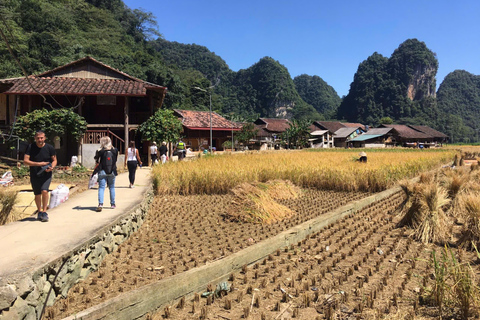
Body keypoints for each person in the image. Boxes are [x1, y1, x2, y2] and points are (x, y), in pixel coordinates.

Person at [23, 130, 57, 222]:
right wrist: (39, 164)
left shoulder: (50, 148)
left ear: (44, 138)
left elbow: (54, 160)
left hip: (46, 174)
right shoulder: (30, 147)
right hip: (35, 173)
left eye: (41, 138)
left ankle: (45, 212)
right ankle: (39, 211)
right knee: (37, 194)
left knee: (45, 191)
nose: (40, 140)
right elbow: (25, 161)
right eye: (38, 138)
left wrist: (52, 167)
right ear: (35, 138)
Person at [94, 136, 118, 212]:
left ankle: (100, 204)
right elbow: (115, 160)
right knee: (112, 187)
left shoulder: (100, 151)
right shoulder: (115, 150)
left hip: (102, 171)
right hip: (112, 171)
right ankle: (113, 204)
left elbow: (96, 160)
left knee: (101, 187)